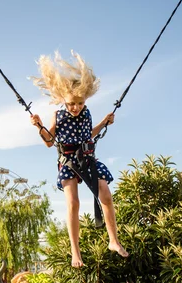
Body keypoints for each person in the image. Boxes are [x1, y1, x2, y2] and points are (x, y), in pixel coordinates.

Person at [30, 51, 128, 268]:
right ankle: (76, 252)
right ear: (64, 99)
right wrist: (39, 126)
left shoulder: (87, 113)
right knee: (73, 203)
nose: (76, 107)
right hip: (68, 162)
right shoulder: (58, 115)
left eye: (80, 103)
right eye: (72, 103)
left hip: (88, 159)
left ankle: (113, 240)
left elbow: (88, 134)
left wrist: (104, 122)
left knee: (106, 194)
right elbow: (49, 141)